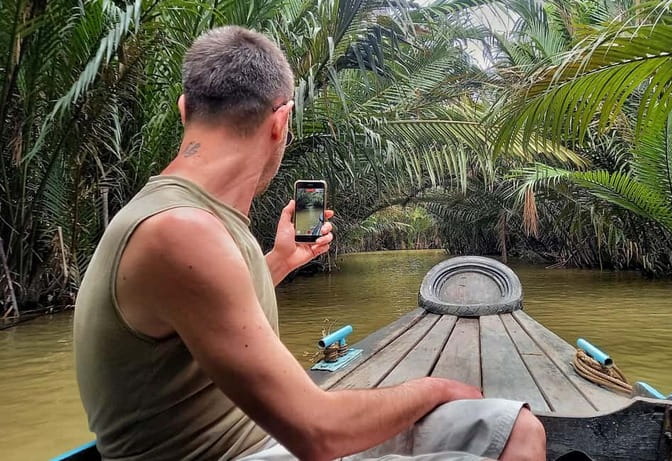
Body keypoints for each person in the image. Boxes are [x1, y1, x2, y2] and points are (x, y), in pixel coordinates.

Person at [73, 26, 546, 461]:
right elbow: (317, 434)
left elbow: (206, 313)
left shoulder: (188, 214)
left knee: (517, 430)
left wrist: (281, 261)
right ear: (281, 121)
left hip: (264, 436)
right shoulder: (182, 231)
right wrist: (433, 388)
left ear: (184, 109)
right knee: (503, 435)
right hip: (252, 449)